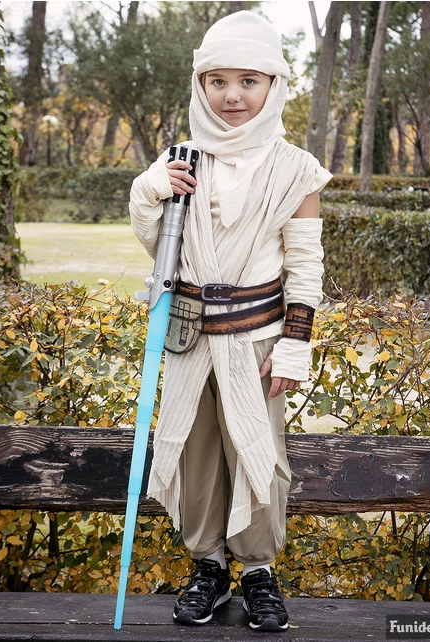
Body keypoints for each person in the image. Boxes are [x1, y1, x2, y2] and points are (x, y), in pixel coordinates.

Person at [129, 10, 332, 633]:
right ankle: (209, 568)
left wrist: (294, 345)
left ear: (273, 85)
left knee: (257, 453)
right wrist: (149, 188)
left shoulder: (296, 169)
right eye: (217, 81)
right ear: (201, 85)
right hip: (190, 339)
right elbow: (160, 248)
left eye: (249, 81)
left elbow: (305, 266)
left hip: (257, 341)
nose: (232, 95)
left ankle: (259, 571)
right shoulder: (181, 159)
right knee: (195, 454)